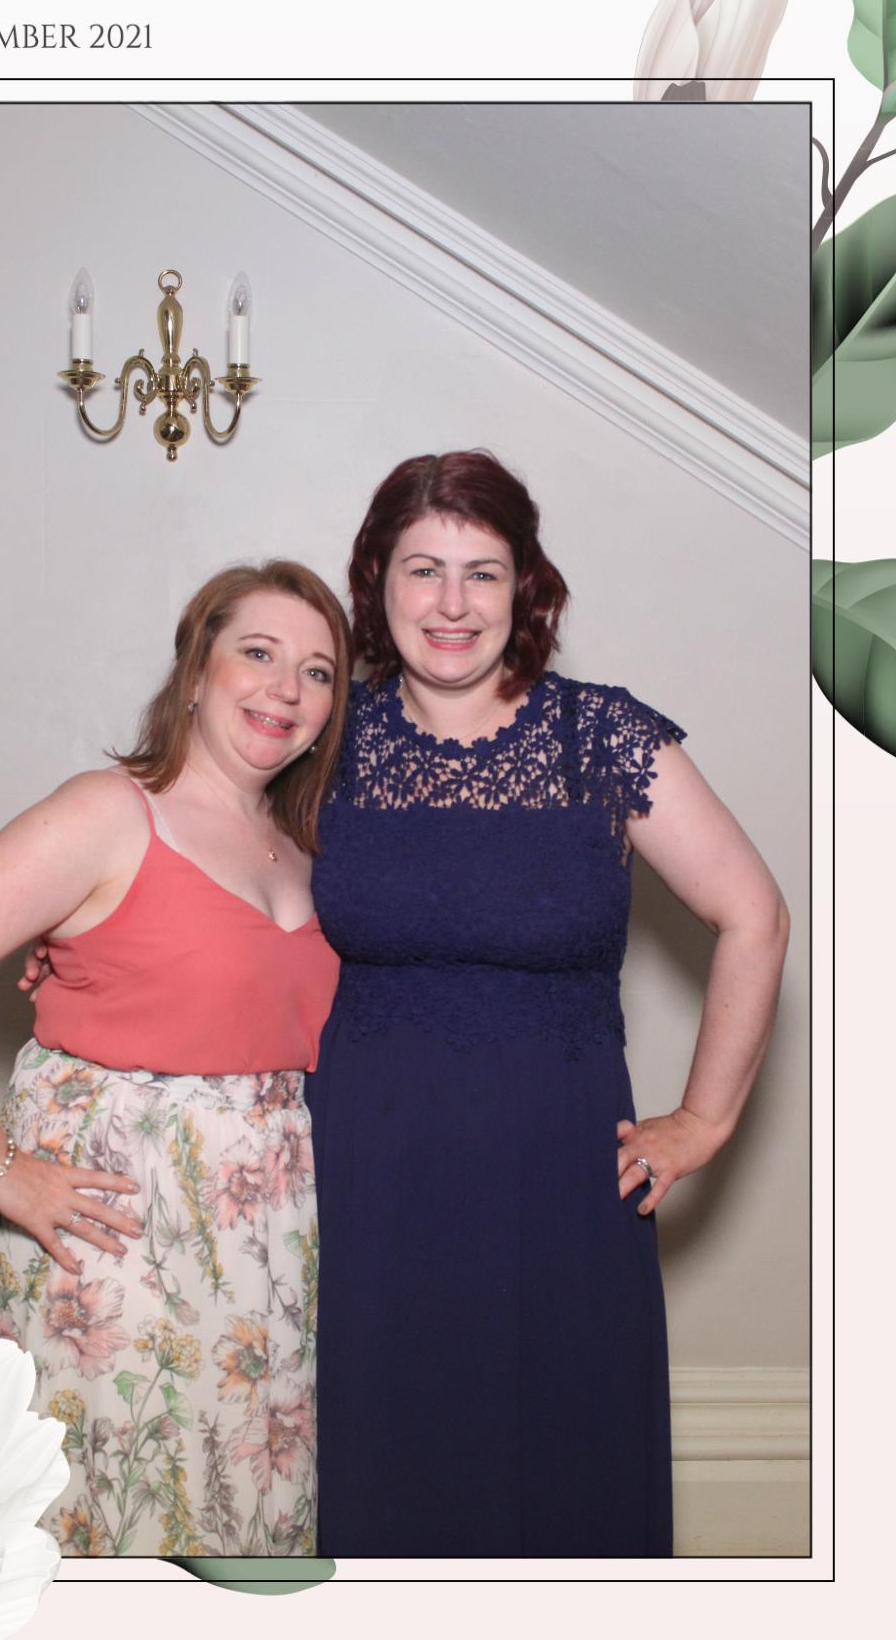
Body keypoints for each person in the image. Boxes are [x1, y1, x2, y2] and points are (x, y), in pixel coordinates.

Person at [303, 450, 790, 1558]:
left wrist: (704, 1119)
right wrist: (84, 945)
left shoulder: (604, 737)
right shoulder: (327, 740)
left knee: (565, 1484)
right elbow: (224, 886)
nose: (453, 603)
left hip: (562, 1188)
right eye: (423, 569)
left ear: (524, 586)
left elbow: (755, 916)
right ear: (376, 580)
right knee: (377, 1486)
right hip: (362, 1184)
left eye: (482, 572)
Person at [0, 561, 350, 1559]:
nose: (286, 689)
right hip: (119, 1237)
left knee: (244, 1523)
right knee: (109, 1518)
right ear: (196, 672)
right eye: (258, 653)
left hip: (262, 1252)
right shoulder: (111, 811)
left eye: (317, 672)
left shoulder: (305, 846)